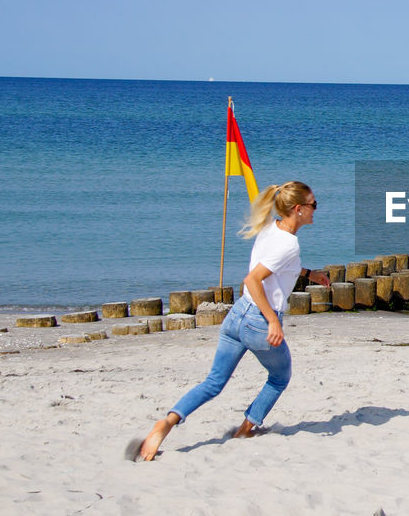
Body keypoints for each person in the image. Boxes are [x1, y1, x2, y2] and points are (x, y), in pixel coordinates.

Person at [136, 181, 330, 461]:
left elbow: (276, 263)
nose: (316, 210)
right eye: (313, 204)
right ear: (298, 209)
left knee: (213, 383)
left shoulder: (269, 228)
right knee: (279, 377)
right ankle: (244, 430)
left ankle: (166, 422)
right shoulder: (290, 243)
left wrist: (308, 273)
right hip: (259, 321)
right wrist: (272, 322)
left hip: (237, 315)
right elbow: (252, 279)